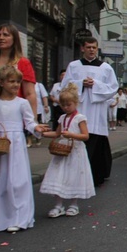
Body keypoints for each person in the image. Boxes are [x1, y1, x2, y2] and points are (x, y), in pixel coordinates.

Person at [0, 66, 48, 232]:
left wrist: (37, 128)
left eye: (18, 81)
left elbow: (29, 122)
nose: (16, 84)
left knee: (17, 181)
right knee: (0, 181)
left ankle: (19, 217)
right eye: (12, 81)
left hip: (16, 144)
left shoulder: (22, 103)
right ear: (2, 82)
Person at [61, 37, 119, 186]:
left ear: (97, 48)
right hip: (79, 109)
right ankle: (75, 177)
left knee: (96, 143)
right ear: (82, 49)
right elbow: (65, 86)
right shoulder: (74, 66)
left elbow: (113, 87)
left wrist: (95, 84)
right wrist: (81, 84)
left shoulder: (106, 67)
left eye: (94, 47)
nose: (91, 50)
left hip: (96, 110)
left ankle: (95, 176)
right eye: (88, 47)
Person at [40, 83, 95, 217]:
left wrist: (72, 135)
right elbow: (57, 133)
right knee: (58, 176)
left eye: (68, 105)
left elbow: (85, 136)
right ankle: (58, 205)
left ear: (75, 103)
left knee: (73, 176)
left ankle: (73, 204)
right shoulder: (62, 118)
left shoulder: (80, 118)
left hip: (75, 150)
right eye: (63, 105)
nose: (65, 107)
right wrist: (44, 133)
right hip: (63, 150)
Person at [0, 24, 37, 114]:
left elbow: (30, 94)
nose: (1, 38)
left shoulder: (23, 63)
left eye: (5, 35)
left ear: (14, 39)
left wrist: (33, 121)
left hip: (12, 115)